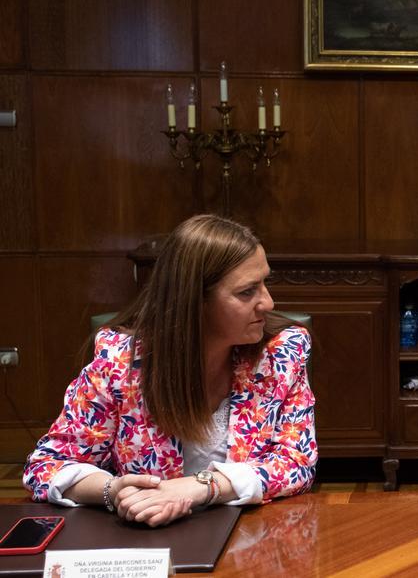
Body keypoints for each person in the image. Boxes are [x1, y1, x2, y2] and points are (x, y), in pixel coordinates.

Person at [24, 214, 317, 527]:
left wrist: (202, 487)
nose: (268, 303)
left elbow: (296, 463)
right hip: (146, 543)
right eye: (247, 292)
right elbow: (46, 466)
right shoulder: (120, 362)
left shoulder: (282, 354)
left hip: (251, 539)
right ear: (193, 301)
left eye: (264, 283)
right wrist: (114, 490)